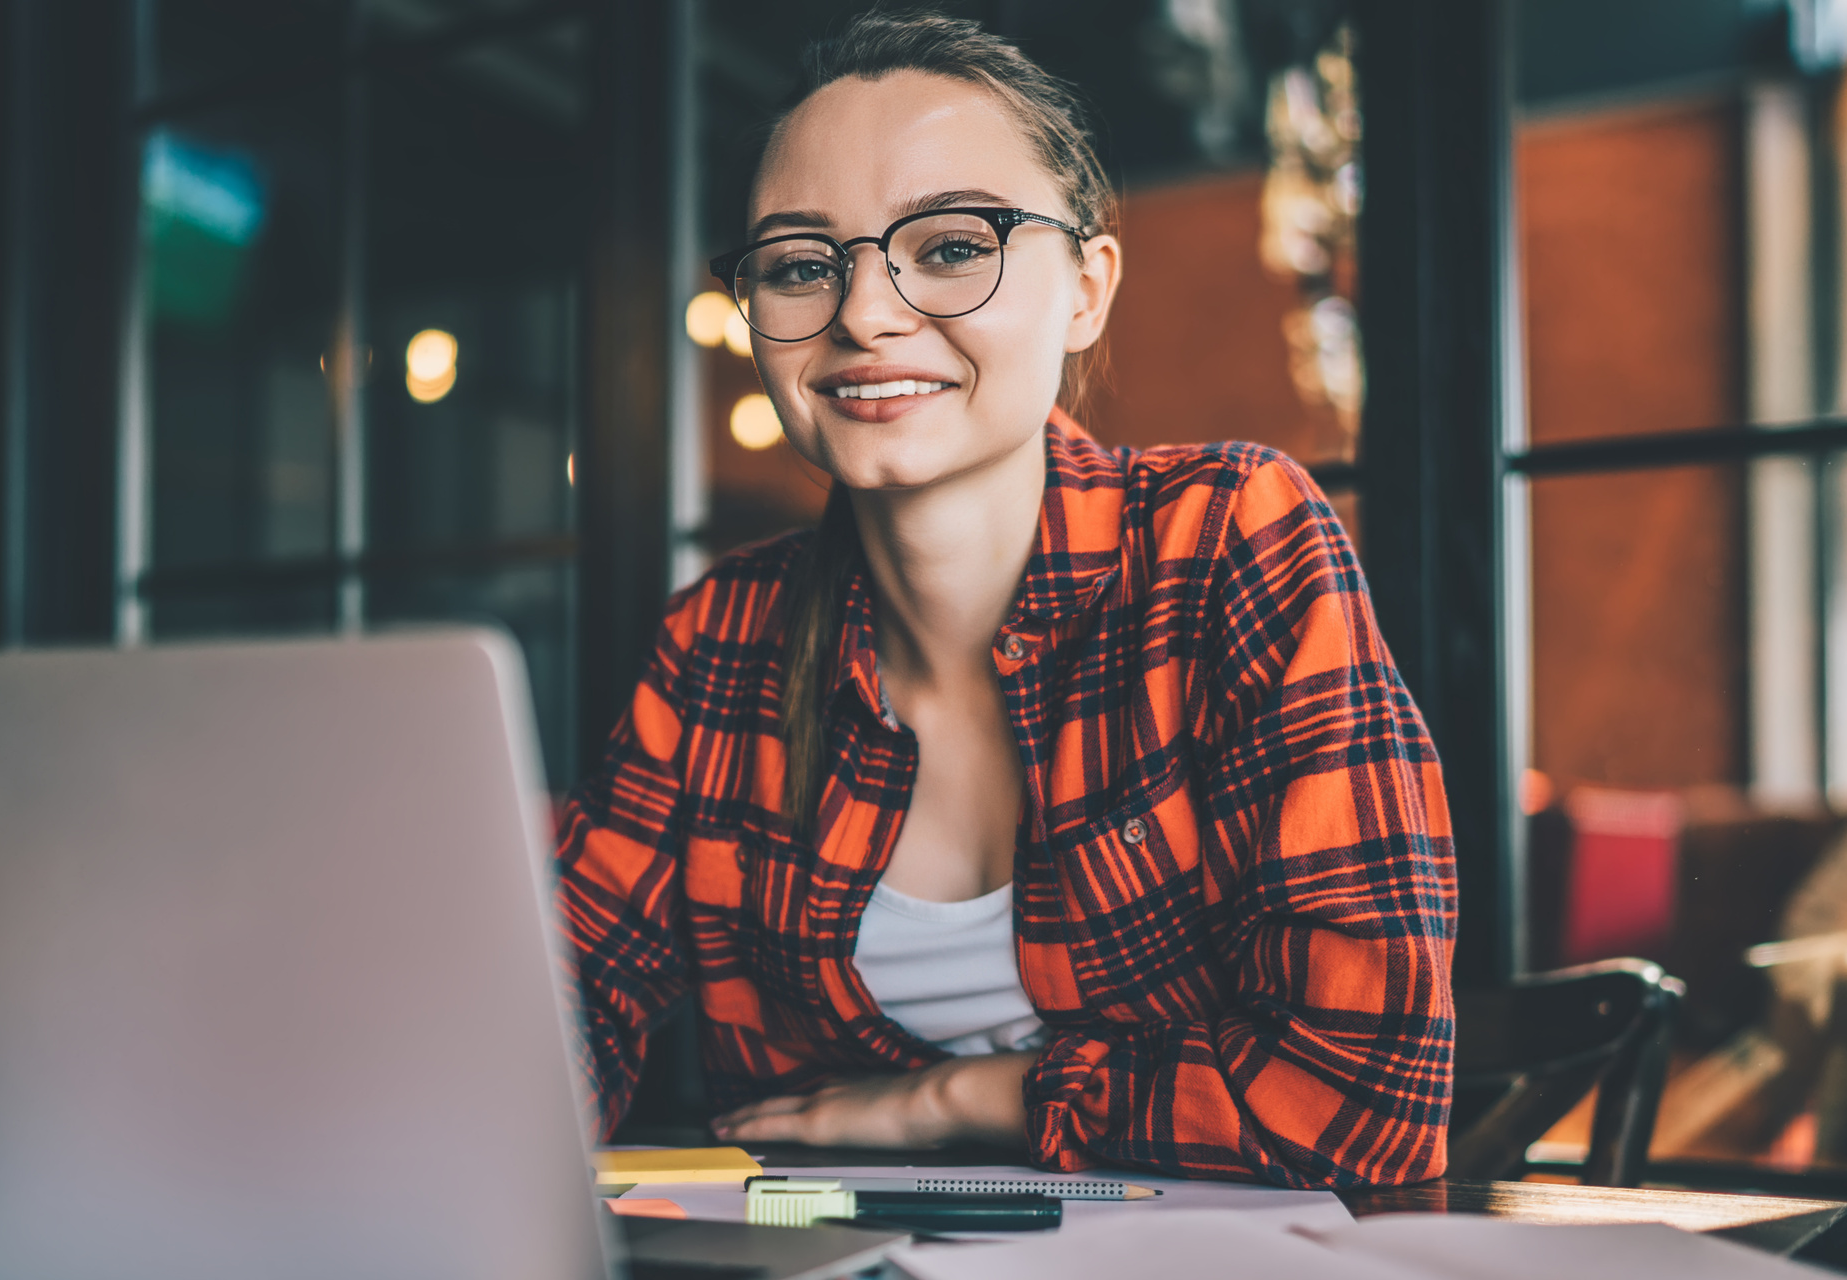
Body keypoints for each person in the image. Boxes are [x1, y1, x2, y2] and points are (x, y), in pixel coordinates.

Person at [554, 10, 1455, 1188]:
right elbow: (557, 1009)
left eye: (948, 245)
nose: (864, 315)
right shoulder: (715, 641)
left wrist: (948, 1102)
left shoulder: (1228, 535)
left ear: (1087, 288)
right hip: (824, 1257)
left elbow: (1367, 1101)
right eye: (798, 264)